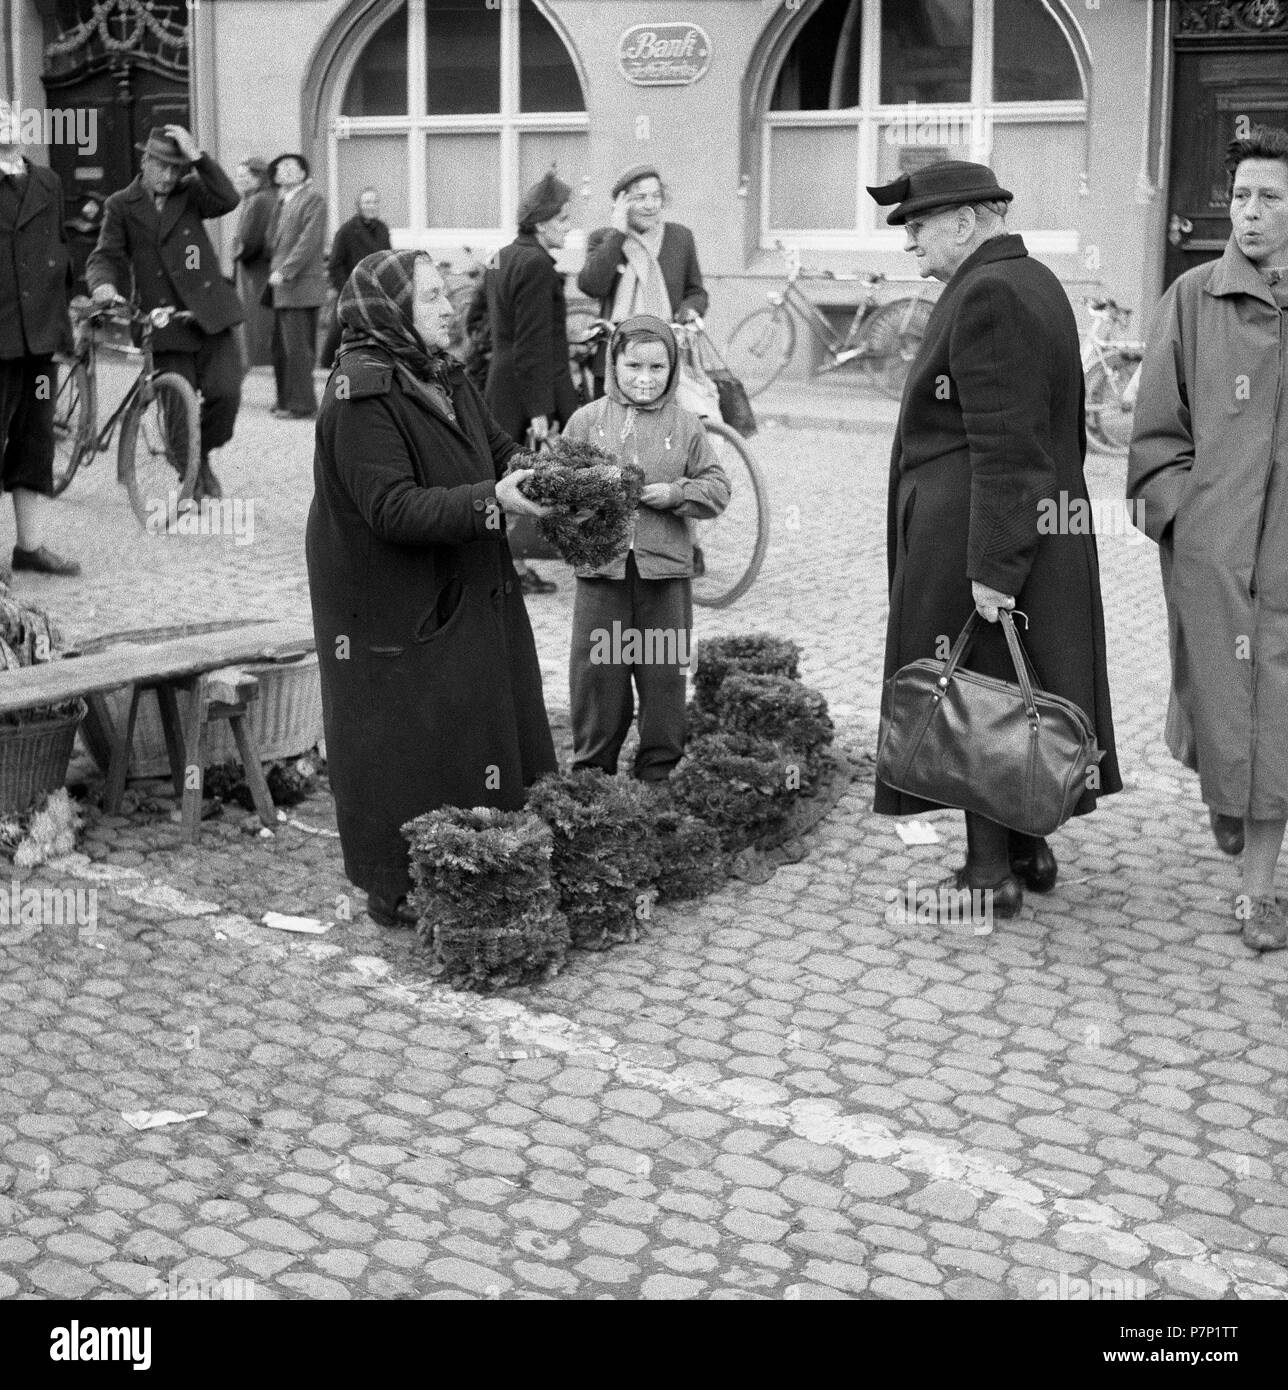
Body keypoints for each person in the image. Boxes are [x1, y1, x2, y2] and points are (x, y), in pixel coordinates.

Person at [868, 160, 1121, 921]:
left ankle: (988, 877)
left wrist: (993, 570)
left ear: (970, 219)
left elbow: (1008, 447)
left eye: (918, 223)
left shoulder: (989, 293)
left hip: (987, 535)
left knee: (979, 699)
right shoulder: (1029, 278)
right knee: (1022, 690)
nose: (910, 239)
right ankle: (1024, 847)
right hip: (1021, 528)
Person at [306, 248, 556, 925]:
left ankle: (489, 864)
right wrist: (492, 502)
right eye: (430, 298)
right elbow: (391, 507)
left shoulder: (443, 372)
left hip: (463, 584)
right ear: (389, 312)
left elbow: (497, 448)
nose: (451, 308)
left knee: (478, 722)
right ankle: (403, 885)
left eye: (448, 293)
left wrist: (547, 475)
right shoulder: (360, 392)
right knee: (411, 742)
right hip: (392, 604)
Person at [1128, 124, 1288, 951]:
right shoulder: (1193, 298)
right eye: (1241, 197)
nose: (1250, 213)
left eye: (1269, 198)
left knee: (1280, 718)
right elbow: (1155, 432)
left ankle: (1258, 892)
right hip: (1214, 556)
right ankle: (1228, 795)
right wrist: (1183, 518)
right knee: (1220, 698)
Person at [563, 315, 729, 782]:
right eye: (633, 365)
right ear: (613, 362)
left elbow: (717, 487)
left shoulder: (687, 425)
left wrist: (677, 494)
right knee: (600, 675)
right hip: (603, 577)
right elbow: (554, 490)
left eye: (657, 368)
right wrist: (589, 498)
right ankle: (592, 772)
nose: (644, 378)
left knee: (662, 676)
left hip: (664, 580)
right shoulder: (587, 421)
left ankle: (658, 772)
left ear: (672, 369)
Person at [88, 124, 243, 502]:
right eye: (163, 167)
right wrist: (104, 286)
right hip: (164, 320)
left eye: (177, 168)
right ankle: (191, 471)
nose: (170, 176)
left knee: (226, 396)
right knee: (177, 414)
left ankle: (199, 452)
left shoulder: (191, 192)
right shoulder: (121, 205)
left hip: (209, 314)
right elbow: (105, 256)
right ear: (145, 161)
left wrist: (198, 157)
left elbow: (228, 199)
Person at [484, 170, 580, 596]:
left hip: (504, 378)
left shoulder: (503, 255)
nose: (568, 228)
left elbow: (504, 329)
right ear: (541, 223)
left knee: (501, 470)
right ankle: (512, 564)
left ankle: (508, 561)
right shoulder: (538, 265)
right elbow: (533, 343)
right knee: (516, 474)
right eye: (562, 220)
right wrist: (541, 408)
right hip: (527, 383)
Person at [0, 115, 80, 577]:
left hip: (40, 339)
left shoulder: (48, 180)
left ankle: (29, 546)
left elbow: (59, 247)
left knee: (36, 439)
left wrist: (64, 321)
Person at [577, 164, 708, 395]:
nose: (650, 205)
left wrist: (688, 312)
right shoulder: (604, 239)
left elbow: (696, 292)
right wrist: (617, 234)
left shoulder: (680, 238)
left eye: (656, 196)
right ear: (621, 203)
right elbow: (591, 286)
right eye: (640, 197)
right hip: (614, 358)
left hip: (665, 358)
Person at [265, 152, 326, 419]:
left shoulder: (312, 199)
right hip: (283, 289)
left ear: (303, 174)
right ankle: (286, 401)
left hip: (298, 286)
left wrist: (286, 271)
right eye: (280, 168)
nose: (283, 171)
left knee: (297, 350)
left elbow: (309, 241)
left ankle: (302, 405)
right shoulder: (284, 201)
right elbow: (272, 241)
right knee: (281, 348)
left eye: (290, 167)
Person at [320, 187, 391, 368]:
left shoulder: (382, 229)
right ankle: (326, 364)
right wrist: (346, 288)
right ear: (359, 205)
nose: (371, 206)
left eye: (375, 202)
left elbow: (387, 258)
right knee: (340, 329)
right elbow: (335, 264)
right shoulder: (347, 231)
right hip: (350, 288)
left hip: (375, 289)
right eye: (367, 202)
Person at [231, 157, 275, 369]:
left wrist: (236, 252)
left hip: (254, 272)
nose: (238, 180)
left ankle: (257, 364)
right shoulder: (266, 198)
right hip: (261, 269)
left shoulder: (258, 201)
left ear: (258, 178)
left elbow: (249, 240)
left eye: (243, 176)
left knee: (255, 323)